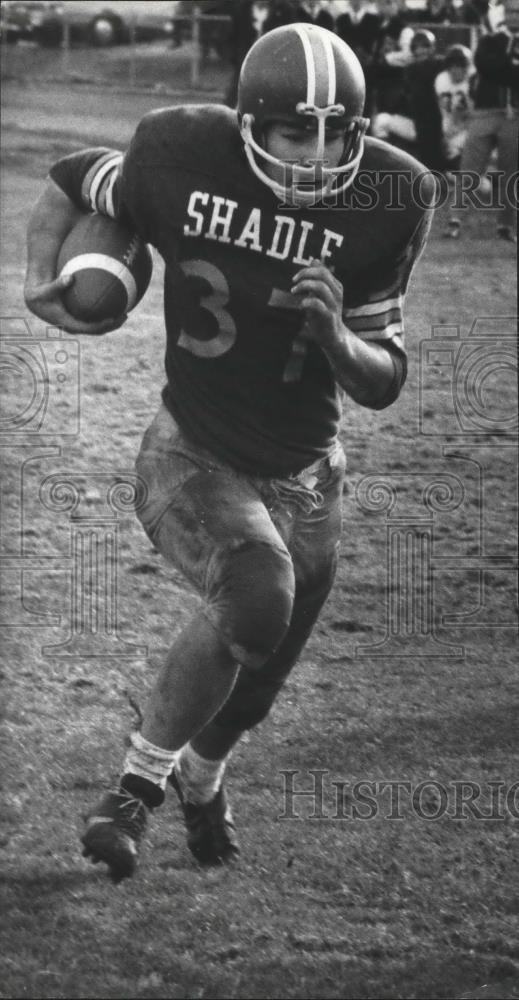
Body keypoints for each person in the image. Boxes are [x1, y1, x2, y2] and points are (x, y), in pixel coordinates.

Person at [24, 23, 434, 883]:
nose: (317, 157)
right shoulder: (181, 151)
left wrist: (333, 338)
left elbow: (383, 378)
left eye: (335, 134)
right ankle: (133, 792)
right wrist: (41, 282)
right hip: (193, 451)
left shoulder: (391, 195)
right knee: (256, 592)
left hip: (309, 472)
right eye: (293, 133)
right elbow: (72, 180)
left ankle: (204, 781)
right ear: (247, 124)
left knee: (253, 685)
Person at [446, 10, 518, 240]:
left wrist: (503, 67)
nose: (513, 16)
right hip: (486, 110)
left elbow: (496, 69)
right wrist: (511, 66)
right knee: (469, 167)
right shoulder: (490, 39)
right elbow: (486, 65)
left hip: (515, 113)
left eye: (518, 12)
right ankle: (455, 220)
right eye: (511, 11)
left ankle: (506, 225)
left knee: (512, 171)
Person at [434, 44, 475, 170]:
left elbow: (475, 115)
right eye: (452, 66)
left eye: (460, 65)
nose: (455, 70)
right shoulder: (442, 79)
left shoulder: (474, 81)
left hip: (471, 126)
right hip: (451, 128)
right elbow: (444, 109)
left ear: (466, 67)